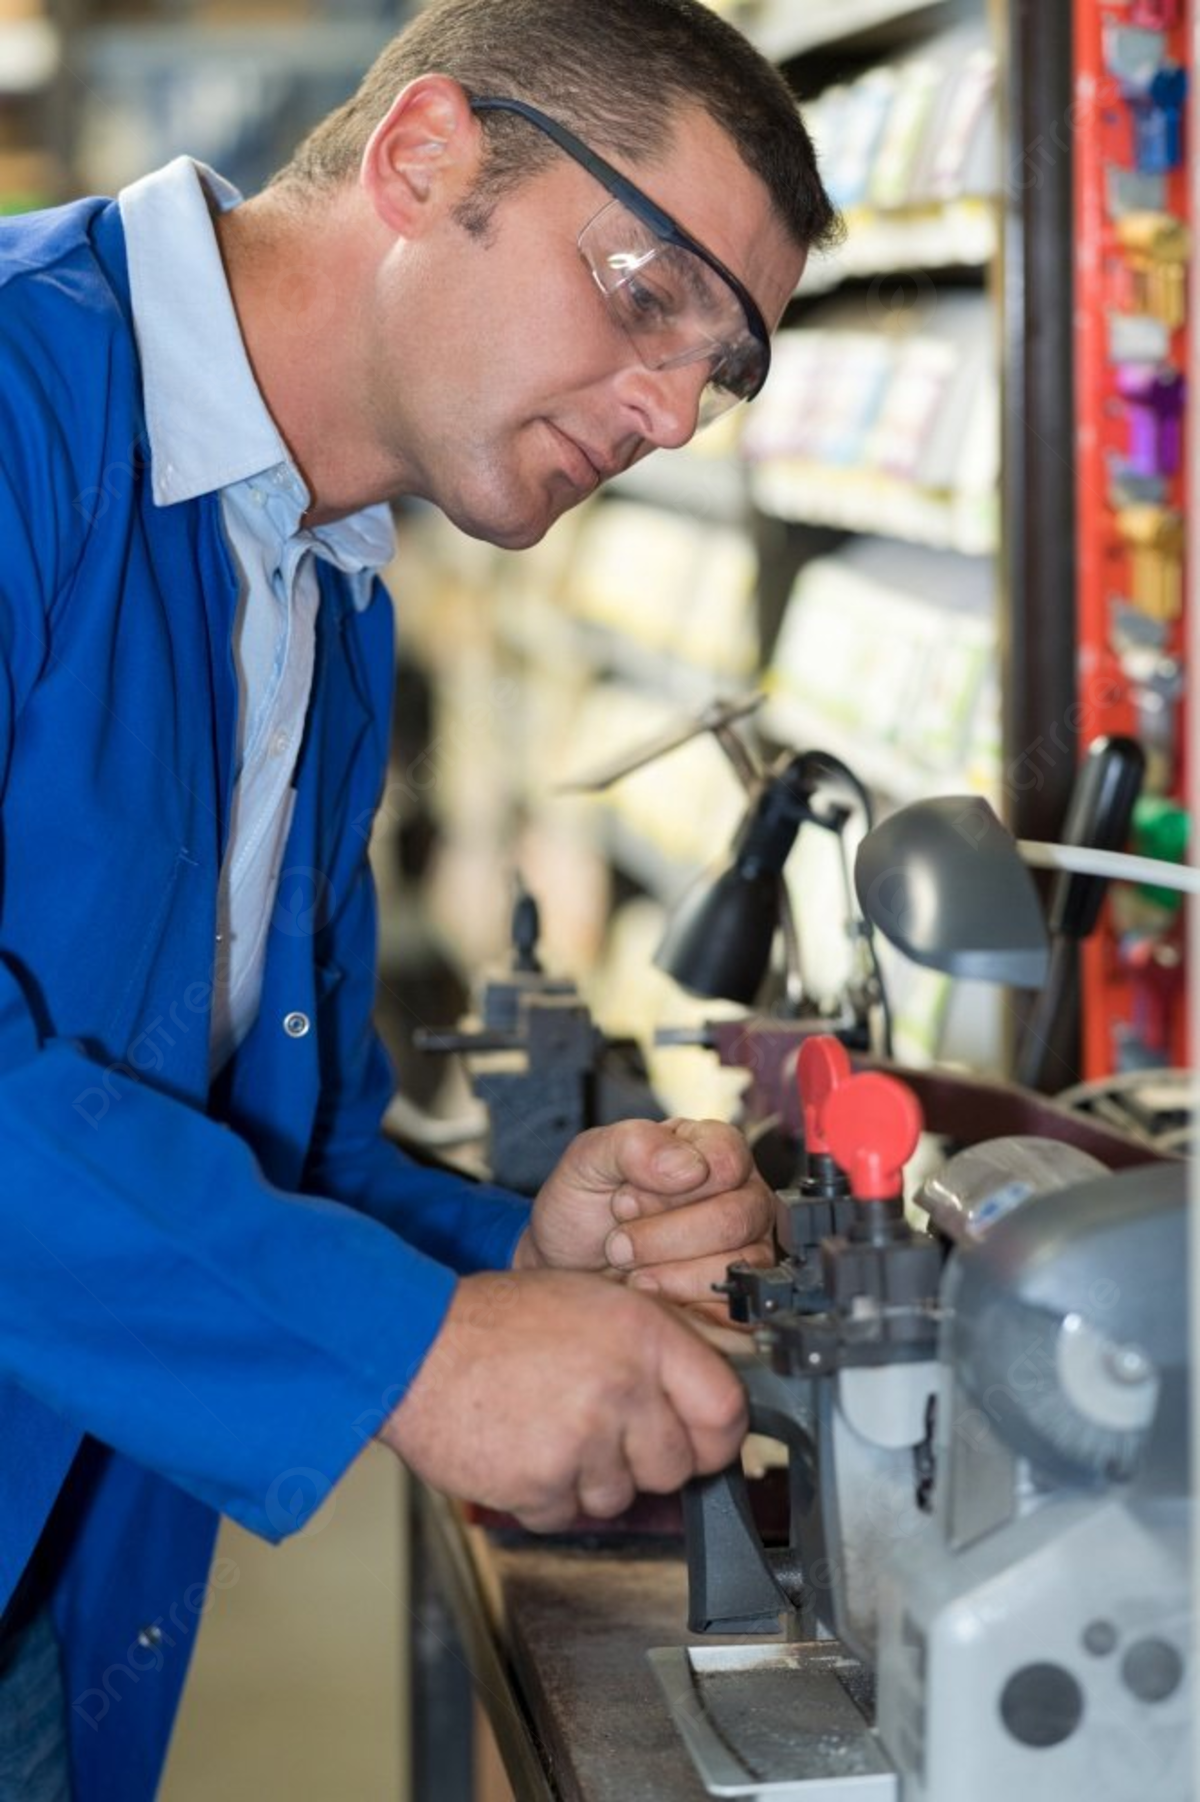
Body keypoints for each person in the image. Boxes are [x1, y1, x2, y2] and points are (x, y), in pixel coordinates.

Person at [0, 0, 838, 1793]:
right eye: (643, 295)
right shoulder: (18, 405)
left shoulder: (314, 586)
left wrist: (511, 1259)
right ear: (423, 156)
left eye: (724, 368)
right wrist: (418, 1349)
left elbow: (250, 1137)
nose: (673, 413)